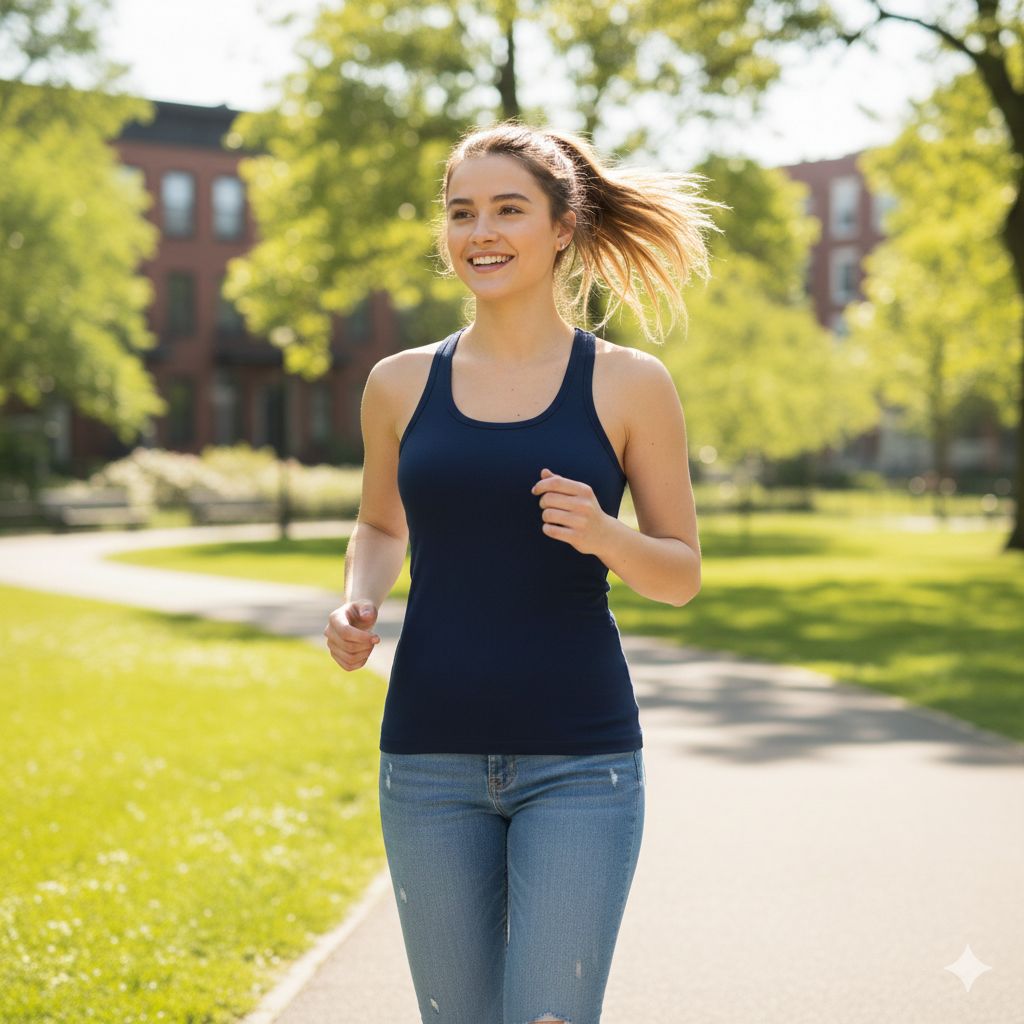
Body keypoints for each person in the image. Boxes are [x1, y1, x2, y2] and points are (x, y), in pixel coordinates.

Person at [323, 119, 721, 1024]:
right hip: (427, 759)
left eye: (508, 209)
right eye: (461, 213)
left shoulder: (629, 384)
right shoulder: (397, 383)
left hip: (580, 761)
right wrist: (360, 598)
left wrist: (605, 535)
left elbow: (681, 572)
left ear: (562, 228)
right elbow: (380, 524)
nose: (481, 232)